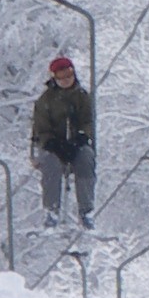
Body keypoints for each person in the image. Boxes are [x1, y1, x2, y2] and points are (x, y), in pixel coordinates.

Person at [30, 53, 95, 229]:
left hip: (77, 143)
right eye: (62, 77)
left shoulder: (82, 97)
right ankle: (51, 211)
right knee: (50, 164)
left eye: (69, 75)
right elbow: (41, 128)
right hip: (52, 145)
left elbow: (88, 121)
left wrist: (82, 137)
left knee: (86, 159)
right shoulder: (45, 101)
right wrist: (53, 143)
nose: (66, 80)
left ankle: (87, 211)